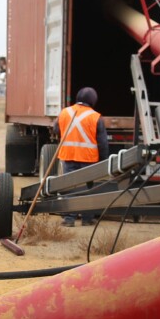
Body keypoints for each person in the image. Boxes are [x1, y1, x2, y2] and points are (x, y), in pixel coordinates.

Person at [54, 87, 109, 226]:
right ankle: (87, 219)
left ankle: (69, 219)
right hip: (88, 159)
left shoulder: (65, 112)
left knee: (70, 187)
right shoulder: (95, 117)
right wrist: (104, 161)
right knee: (88, 188)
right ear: (93, 100)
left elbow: (56, 129)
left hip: (68, 155)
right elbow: (102, 143)